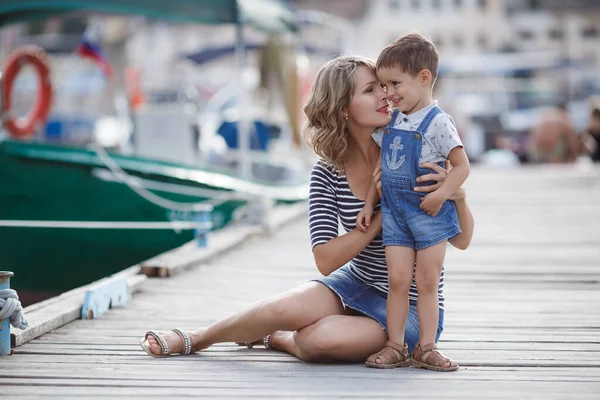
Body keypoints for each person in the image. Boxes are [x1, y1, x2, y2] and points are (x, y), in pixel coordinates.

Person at [139, 55, 474, 365]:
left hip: (409, 309)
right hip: (353, 282)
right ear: (344, 108)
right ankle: (198, 338)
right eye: (371, 90)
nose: (386, 96)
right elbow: (326, 259)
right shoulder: (327, 172)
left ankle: (279, 338)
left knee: (318, 340)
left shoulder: (414, 148)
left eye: (385, 87)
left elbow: (460, 242)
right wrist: (381, 218)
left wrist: (456, 196)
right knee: (283, 306)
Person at [356, 33, 469, 371]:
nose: (388, 93)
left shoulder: (439, 122)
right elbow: (382, 169)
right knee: (398, 279)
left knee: (427, 281)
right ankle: (395, 344)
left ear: (424, 78)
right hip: (394, 213)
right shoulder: (394, 120)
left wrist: (441, 194)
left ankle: (427, 346)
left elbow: (462, 166)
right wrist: (367, 203)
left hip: (429, 212)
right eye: (383, 85)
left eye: (394, 83)